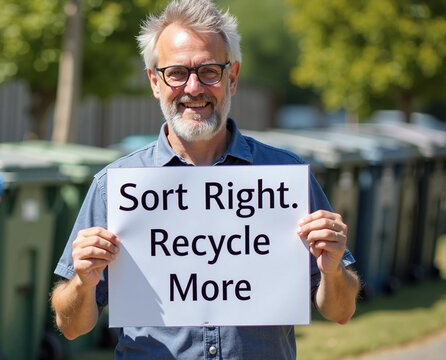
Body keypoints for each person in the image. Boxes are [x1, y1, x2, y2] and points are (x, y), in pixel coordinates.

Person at [51, 0, 360, 358]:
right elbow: (71, 327)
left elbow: (341, 311)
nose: (194, 87)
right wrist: (83, 283)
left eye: (209, 71)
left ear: (233, 77)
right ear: (155, 81)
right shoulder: (116, 186)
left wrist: (333, 271)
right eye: (177, 73)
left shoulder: (283, 178)